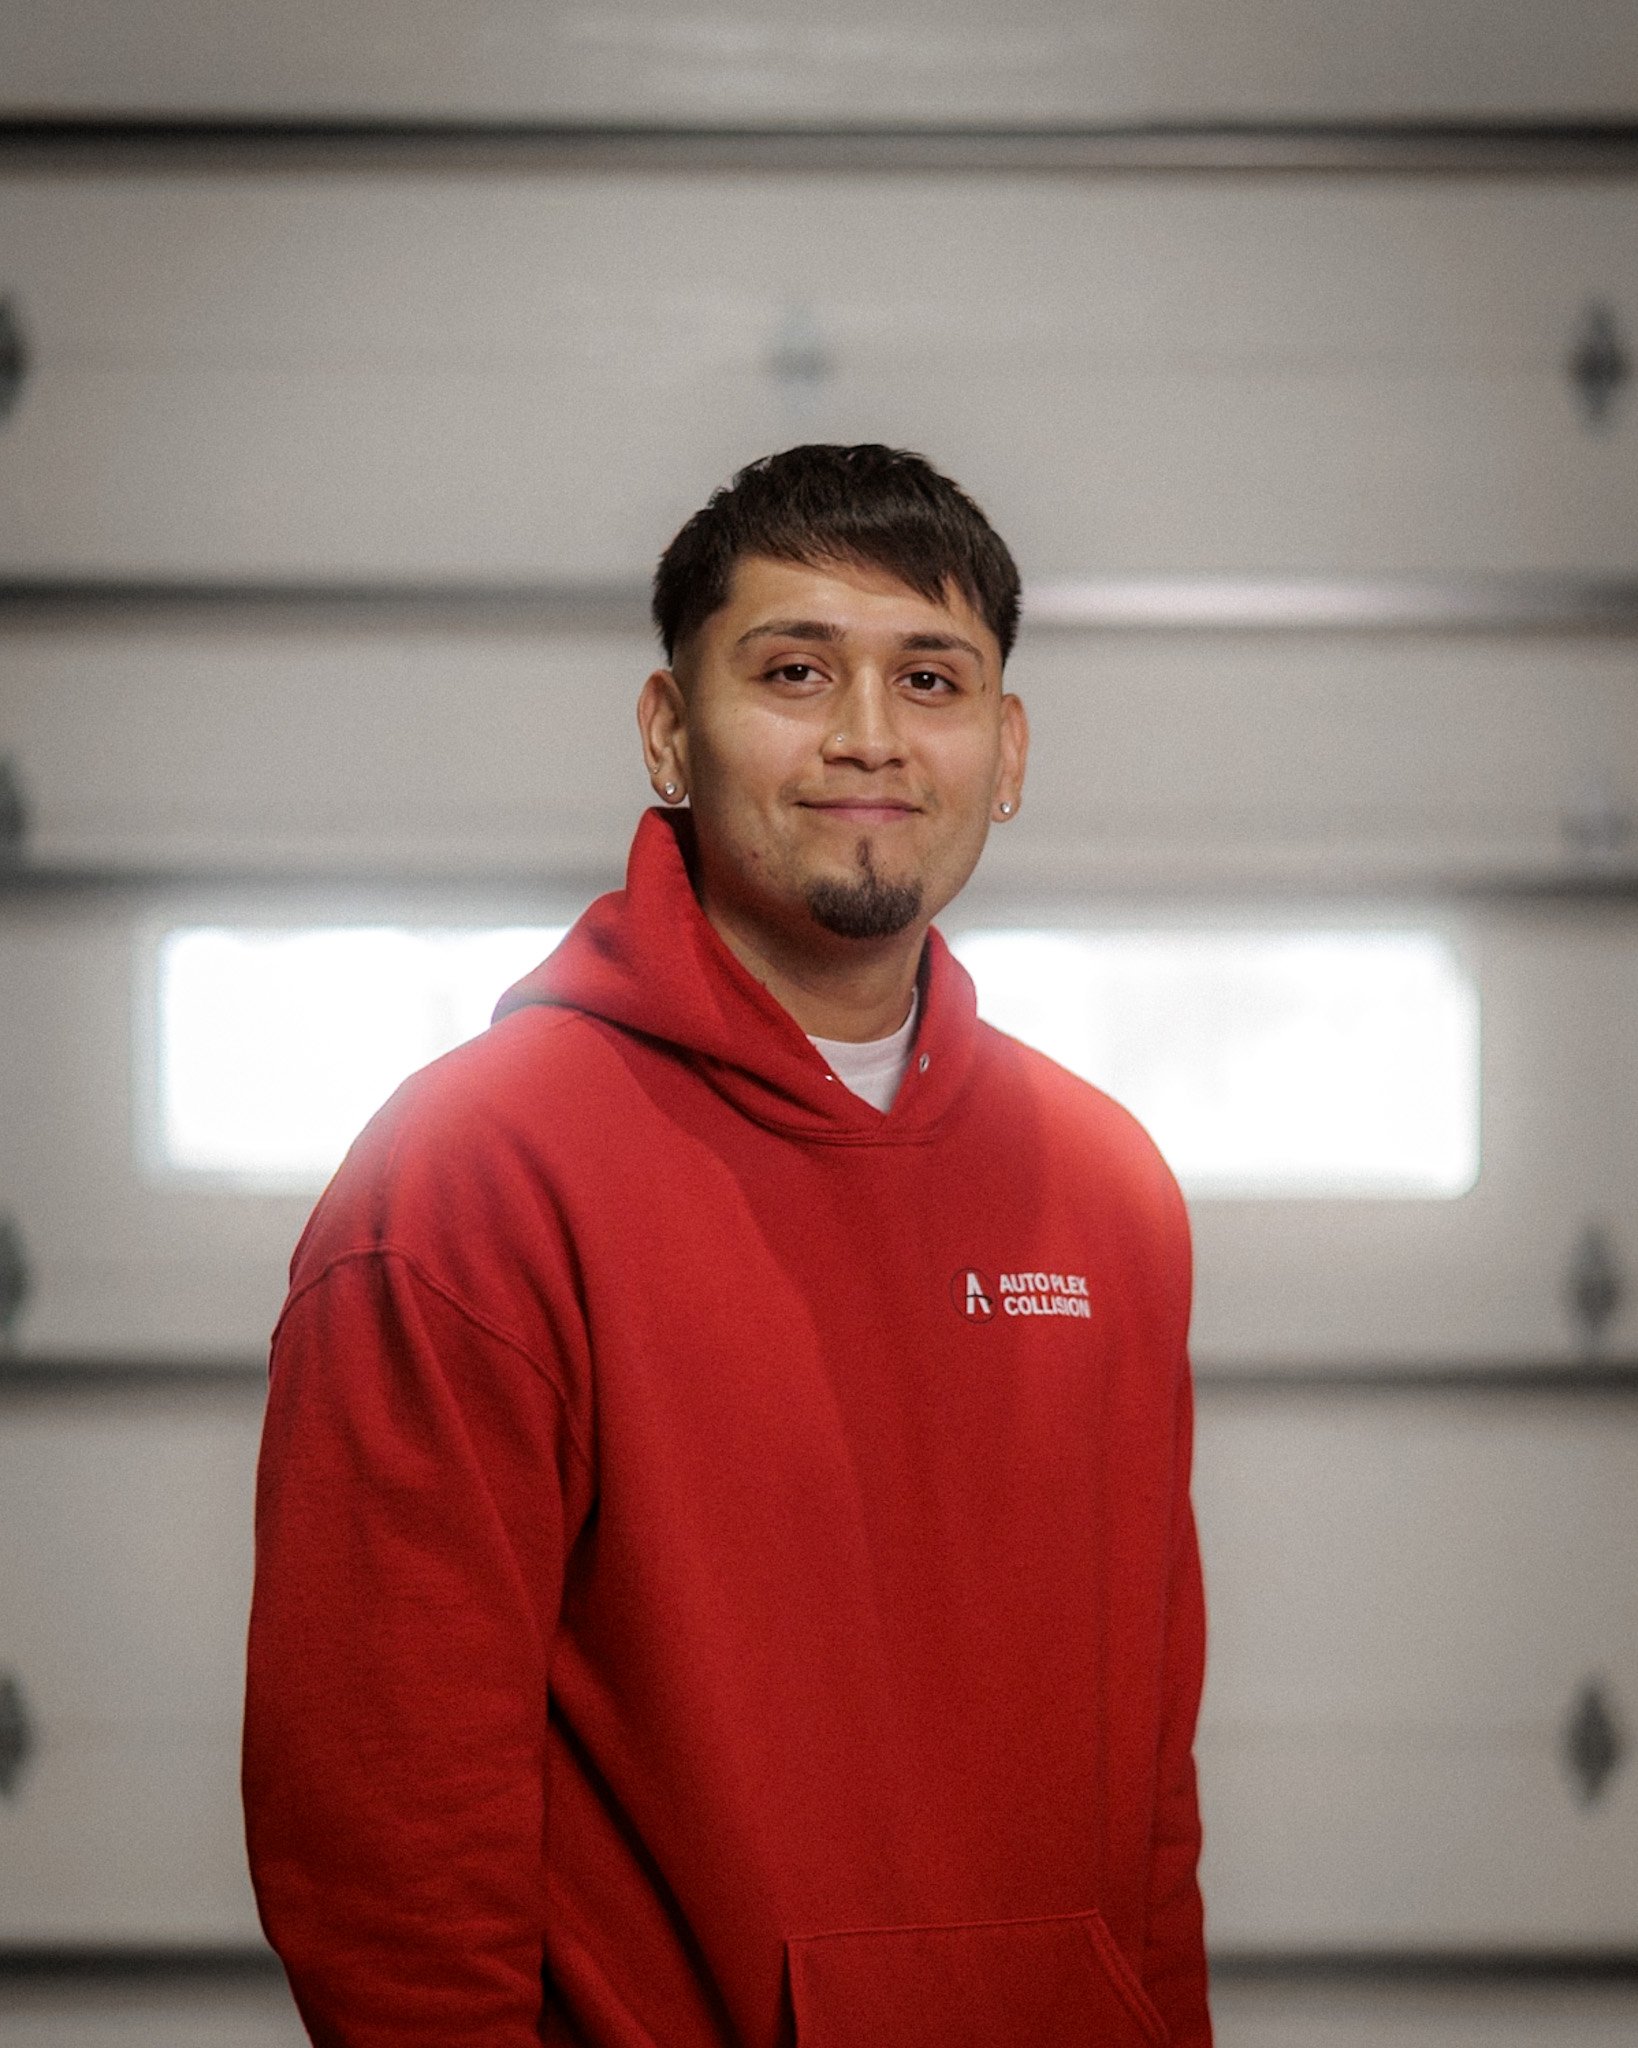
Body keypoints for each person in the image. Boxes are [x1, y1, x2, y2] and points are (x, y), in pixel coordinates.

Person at [243, 443, 1210, 2048]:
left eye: (931, 677)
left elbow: (1149, 1809)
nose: (867, 737)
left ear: (1008, 747)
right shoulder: (473, 1177)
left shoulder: (1105, 1191)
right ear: (669, 732)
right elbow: (384, 1852)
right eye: (792, 670)